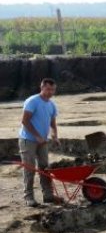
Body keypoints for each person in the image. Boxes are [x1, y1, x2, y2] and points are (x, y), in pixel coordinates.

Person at [18, 78, 60, 207]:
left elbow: (52, 122)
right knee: (29, 168)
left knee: (45, 168)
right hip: (28, 140)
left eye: (52, 89)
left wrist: (55, 135)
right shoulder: (32, 101)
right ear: (41, 88)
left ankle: (48, 196)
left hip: (42, 141)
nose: (50, 92)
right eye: (48, 89)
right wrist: (37, 136)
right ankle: (29, 197)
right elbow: (25, 121)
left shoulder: (51, 104)